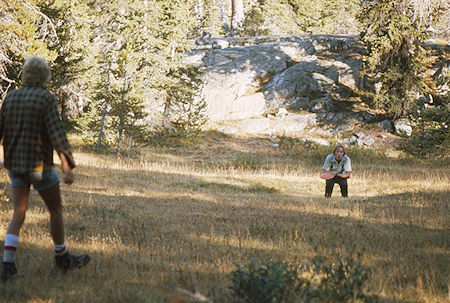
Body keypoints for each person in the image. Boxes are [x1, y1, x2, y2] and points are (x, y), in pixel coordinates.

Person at [0, 56, 90, 282]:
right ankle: (62, 258)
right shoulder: (45, 99)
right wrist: (67, 166)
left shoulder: (11, 97)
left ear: (25, 73)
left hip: (15, 165)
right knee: (55, 209)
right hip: (38, 166)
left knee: (18, 213)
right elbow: (57, 133)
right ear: (45, 75)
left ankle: (8, 266)